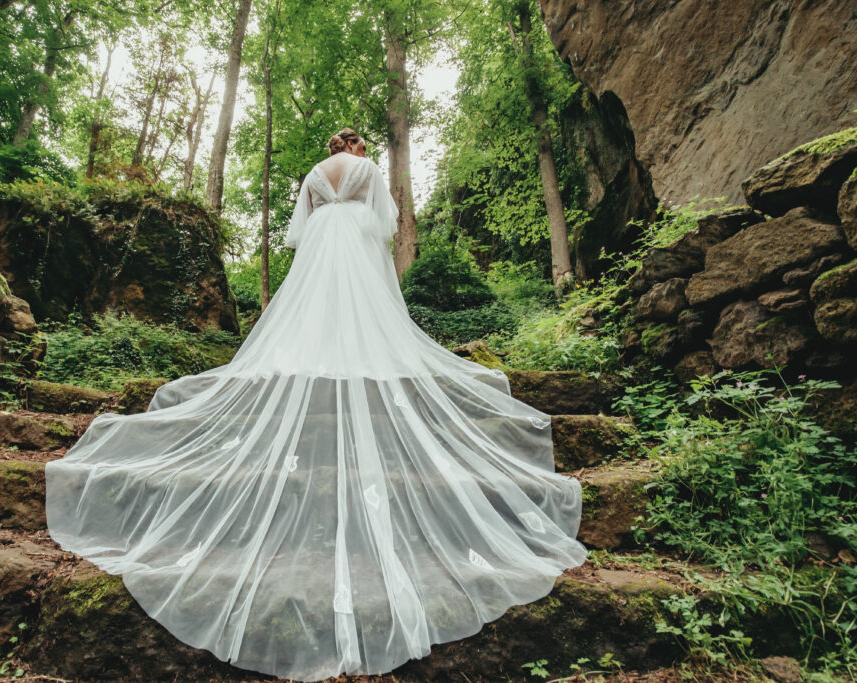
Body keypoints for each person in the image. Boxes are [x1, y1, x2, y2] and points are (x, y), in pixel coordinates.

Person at [45, 127, 588, 682]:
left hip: (323, 243)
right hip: (352, 241)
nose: (360, 150)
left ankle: (320, 358)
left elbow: (300, 229)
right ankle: (359, 358)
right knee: (362, 307)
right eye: (360, 144)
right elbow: (383, 222)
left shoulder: (312, 174)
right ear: (354, 146)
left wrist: (329, 221)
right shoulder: (366, 168)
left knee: (317, 308)